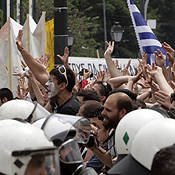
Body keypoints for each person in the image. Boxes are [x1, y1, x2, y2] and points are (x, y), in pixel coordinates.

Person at [16, 29, 79, 115]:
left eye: (50, 81)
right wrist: (22, 50)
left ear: (62, 85)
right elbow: (39, 73)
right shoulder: (56, 97)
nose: (46, 84)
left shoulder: (69, 109)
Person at [86, 91, 133, 168]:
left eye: (108, 110)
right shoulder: (113, 131)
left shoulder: (130, 134)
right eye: (104, 108)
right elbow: (111, 161)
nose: (103, 113)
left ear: (122, 112)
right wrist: (94, 147)